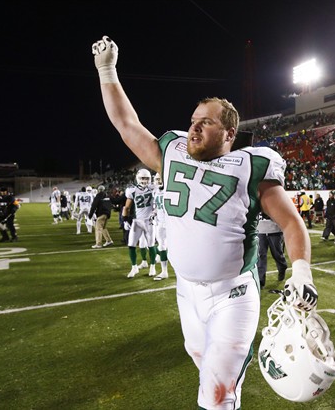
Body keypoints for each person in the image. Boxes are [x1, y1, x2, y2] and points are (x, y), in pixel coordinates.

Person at [92, 35, 317, 409]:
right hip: (186, 292)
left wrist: (302, 270)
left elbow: (292, 223)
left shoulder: (252, 166)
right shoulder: (172, 152)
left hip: (233, 295)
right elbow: (127, 124)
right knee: (210, 375)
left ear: (229, 133)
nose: (194, 128)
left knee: (215, 394)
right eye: (193, 121)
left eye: (206, 123)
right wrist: (107, 70)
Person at [123, 169, 158, 278]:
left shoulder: (153, 188)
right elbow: (127, 207)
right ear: (138, 178)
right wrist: (125, 219)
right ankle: (134, 268)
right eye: (142, 178)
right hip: (137, 221)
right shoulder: (132, 190)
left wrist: (155, 213)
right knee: (131, 245)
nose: (144, 180)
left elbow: (158, 202)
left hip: (149, 221)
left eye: (147, 178)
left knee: (151, 244)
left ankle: (153, 267)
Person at [257, 212, 288, 287]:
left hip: (275, 231)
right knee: (260, 256)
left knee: (277, 254)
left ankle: (282, 268)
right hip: (260, 231)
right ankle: (261, 281)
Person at [152, 172, 170, 281]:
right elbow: (157, 207)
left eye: (160, 179)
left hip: (171, 224)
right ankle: (164, 271)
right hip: (160, 222)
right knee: (162, 245)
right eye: (157, 179)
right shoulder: (156, 191)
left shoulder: (170, 189)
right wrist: (153, 214)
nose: (159, 181)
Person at [88, 185, 113, 250]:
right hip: (107, 214)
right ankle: (109, 240)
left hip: (101, 214)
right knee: (103, 228)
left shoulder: (98, 196)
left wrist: (90, 215)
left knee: (98, 228)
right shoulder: (107, 195)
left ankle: (98, 243)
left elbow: (94, 206)